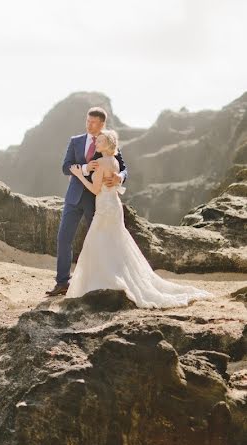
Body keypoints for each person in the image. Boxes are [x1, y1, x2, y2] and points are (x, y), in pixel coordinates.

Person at [64, 129, 213, 307]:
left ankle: (105, 282)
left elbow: (96, 190)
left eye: (101, 140)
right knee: (115, 242)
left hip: (104, 206)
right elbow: (113, 179)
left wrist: (80, 175)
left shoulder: (101, 162)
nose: (97, 142)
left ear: (109, 144)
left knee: (99, 242)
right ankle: (116, 279)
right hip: (114, 205)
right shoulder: (113, 161)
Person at [47, 107, 127, 296]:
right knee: (64, 239)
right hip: (74, 198)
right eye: (87, 121)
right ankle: (62, 283)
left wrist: (119, 178)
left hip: (97, 200)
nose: (88, 124)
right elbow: (66, 167)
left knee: (99, 241)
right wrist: (84, 168)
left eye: (93, 122)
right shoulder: (75, 141)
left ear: (102, 124)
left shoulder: (107, 142)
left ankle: (101, 281)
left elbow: (123, 168)